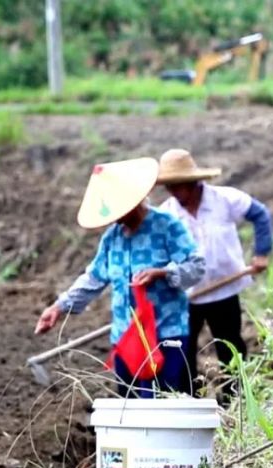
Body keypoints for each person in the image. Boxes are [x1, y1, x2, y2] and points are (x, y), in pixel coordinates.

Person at [34, 157, 206, 397]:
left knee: (162, 405)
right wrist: (59, 306)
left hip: (165, 335)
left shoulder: (166, 226)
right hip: (126, 339)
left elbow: (197, 267)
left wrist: (163, 273)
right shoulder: (112, 238)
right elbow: (93, 278)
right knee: (131, 404)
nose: (116, 218)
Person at [155, 149, 273, 400]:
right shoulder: (166, 215)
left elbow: (260, 214)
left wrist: (262, 252)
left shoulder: (225, 199)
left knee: (230, 346)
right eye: (169, 187)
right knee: (183, 351)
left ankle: (237, 401)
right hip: (186, 297)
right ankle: (189, 402)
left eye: (177, 186)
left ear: (193, 182)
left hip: (224, 290)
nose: (174, 193)